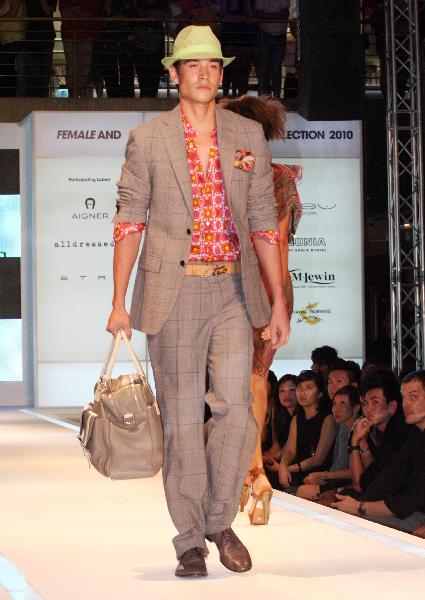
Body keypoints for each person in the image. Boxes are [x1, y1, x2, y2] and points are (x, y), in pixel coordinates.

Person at [107, 25, 290, 577]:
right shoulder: (148, 139)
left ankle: (218, 519)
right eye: (194, 65)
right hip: (175, 291)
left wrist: (278, 302)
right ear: (174, 74)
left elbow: (263, 223)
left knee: (236, 407)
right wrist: (118, 301)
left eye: (213, 65)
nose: (205, 73)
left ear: (221, 72)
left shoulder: (245, 137)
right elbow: (130, 218)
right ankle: (189, 539)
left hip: (235, 290)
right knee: (183, 420)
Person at [220, 94, 302, 525]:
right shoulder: (281, 177)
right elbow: (281, 249)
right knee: (255, 382)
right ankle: (256, 479)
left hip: (232, 288)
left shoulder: (228, 176)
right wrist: (279, 304)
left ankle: (245, 474)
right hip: (273, 290)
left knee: (231, 386)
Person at [332, 370, 425, 534]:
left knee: (351, 520)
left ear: (391, 406)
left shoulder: (402, 432)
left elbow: (409, 498)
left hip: (415, 511)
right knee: (343, 514)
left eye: (414, 397)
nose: (406, 404)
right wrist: (357, 442)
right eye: (404, 398)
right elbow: (380, 480)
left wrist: (360, 507)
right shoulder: (415, 436)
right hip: (408, 507)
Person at [267, 370, 337, 492]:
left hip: (315, 475)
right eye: (299, 388)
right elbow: (290, 450)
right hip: (296, 471)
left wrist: (285, 469)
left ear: (320, 394)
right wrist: (283, 465)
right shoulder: (297, 418)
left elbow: (318, 459)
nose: (302, 392)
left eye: (308, 388)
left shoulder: (328, 419)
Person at [348, 369, 409, 495]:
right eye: (365, 403)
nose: (368, 409)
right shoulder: (384, 430)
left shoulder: (399, 432)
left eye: (375, 402)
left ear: (392, 406)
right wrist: (363, 443)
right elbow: (374, 477)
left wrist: (354, 442)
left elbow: (359, 485)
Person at [296, 385, 361, 502]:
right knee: (304, 486)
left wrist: (323, 476)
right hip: (336, 479)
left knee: (303, 491)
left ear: (356, 408)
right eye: (334, 404)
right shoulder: (343, 426)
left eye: (342, 404)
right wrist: (323, 478)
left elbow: (353, 473)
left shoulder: (359, 431)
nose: (336, 409)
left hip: (351, 485)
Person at [253, 0, 289, 98]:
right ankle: (267, 97)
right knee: (265, 68)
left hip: (278, 35)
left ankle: (275, 97)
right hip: (265, 35)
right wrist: (277, 16)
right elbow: (259, 14)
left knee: (276, 69)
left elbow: (285, 14)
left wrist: (267, 16)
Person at [22, 0, 57, 97]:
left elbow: (47, 11)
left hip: (46, 36)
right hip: (31, 36)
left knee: (44, 75)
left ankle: (42, 100)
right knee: (31, 75)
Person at [262, 373, 297, 462]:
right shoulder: (277, 413)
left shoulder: (301, 417)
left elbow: (286, 450)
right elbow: (276, 446)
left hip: (293, 461)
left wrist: (266, 460)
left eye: (292, 390)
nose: (286, 395)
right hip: (279, 459)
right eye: (282, 391)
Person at [0, 0, 26, 97]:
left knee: (10, 71)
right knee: (6, 70)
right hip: (5, 40)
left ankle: (11, 96)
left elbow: (13, 13)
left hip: (15, 38)